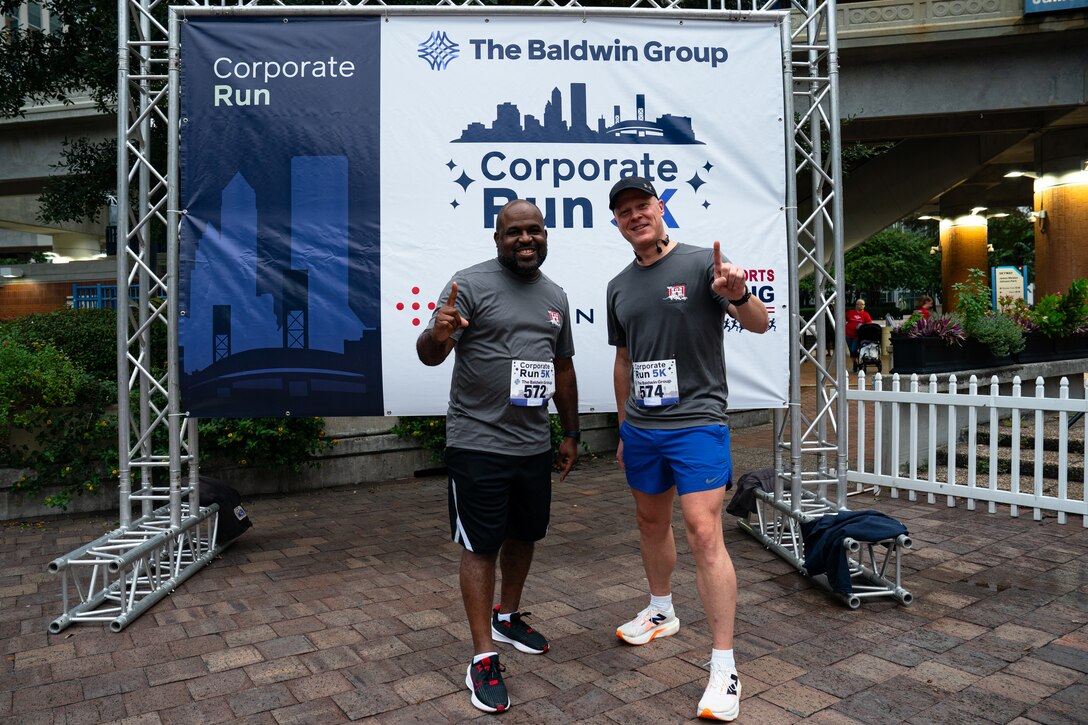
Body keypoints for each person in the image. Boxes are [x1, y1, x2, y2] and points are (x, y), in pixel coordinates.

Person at [604, 177, 768, 722]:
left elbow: (760, 323)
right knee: (651, 524)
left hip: (697, 422)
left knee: (703, 532)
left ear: (659, 208)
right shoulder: (618, 286)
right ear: (619, 223)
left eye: (642, 206)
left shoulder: (705, 266)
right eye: (624, 211)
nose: (635, 216)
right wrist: (624, 426)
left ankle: (724, 666)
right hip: (643, 430)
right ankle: (660, 612)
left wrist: (739, 294)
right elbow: (625, 361)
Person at [416, 199, 579, 714]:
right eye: (514, 232)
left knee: (525, 534)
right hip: (477, 443)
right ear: (497, 237)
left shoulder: (555, 295)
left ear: (545, 235)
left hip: (532, 444)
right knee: (480, 545)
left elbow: (563, 369)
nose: (525, 240)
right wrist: (438, 333)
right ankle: (482, 655)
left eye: (534, 231)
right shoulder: (469, 284)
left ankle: (507, 616)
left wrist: (570, 433)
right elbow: (430, 352)